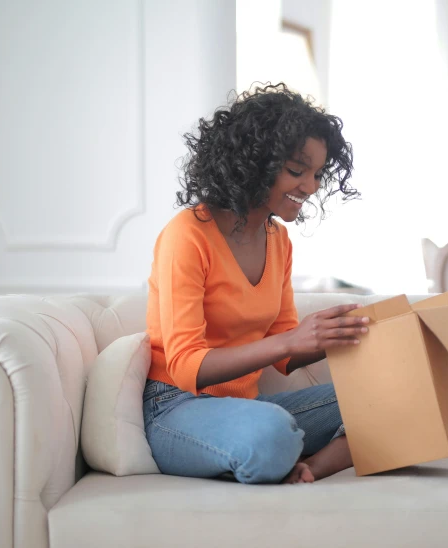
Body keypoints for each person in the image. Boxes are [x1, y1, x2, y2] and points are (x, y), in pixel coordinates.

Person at [142, 83, 362, 484]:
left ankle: (307, 470)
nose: (310, 187)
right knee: (270, 431)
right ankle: (272, 451)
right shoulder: (187, 235)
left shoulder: (278, 240)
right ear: (255, 163)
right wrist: (292, 341)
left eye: (316, 174)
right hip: (176, 408)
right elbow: (187, 366)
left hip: (249, 408)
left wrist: (334, 335)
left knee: (384, 395)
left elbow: (283, 352)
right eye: (297, 171)